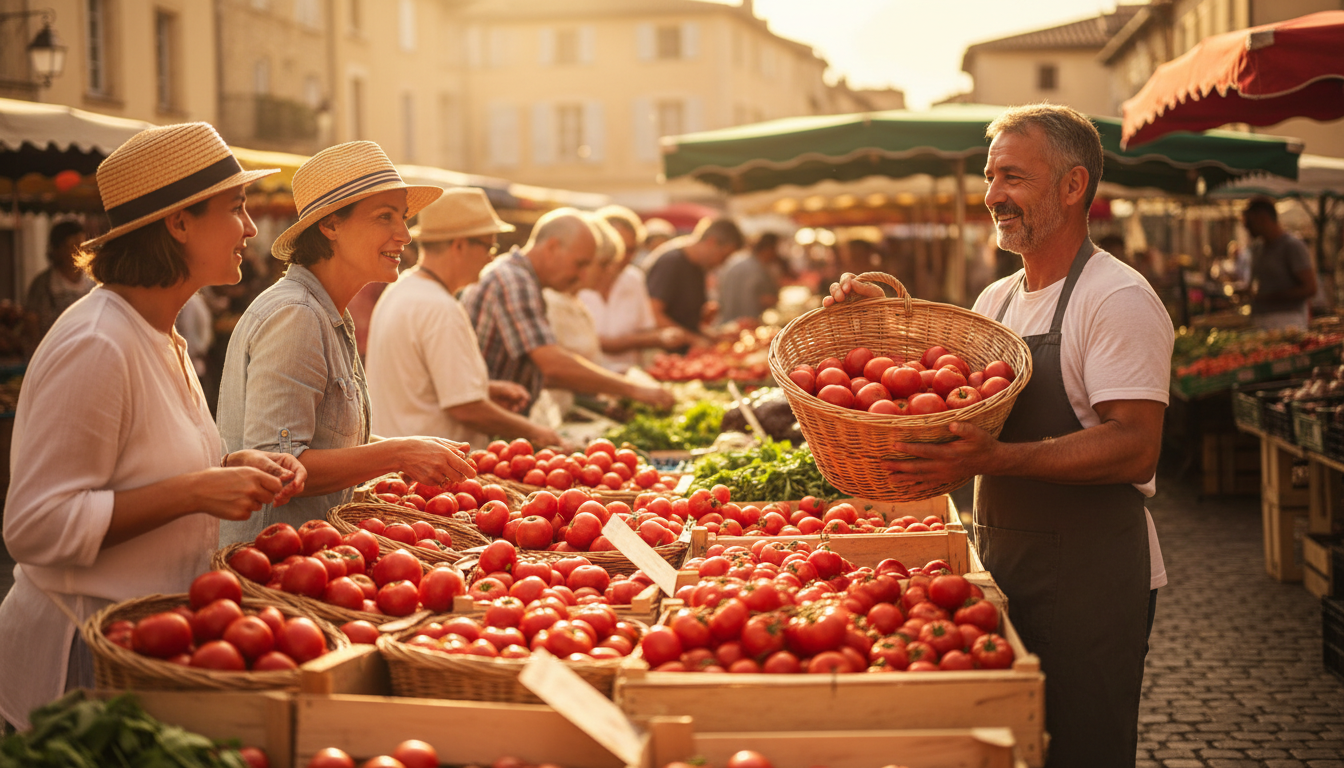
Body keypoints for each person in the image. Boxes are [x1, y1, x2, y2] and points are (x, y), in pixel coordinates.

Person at [829, 104, 1171, 768]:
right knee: (1013, 749)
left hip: (1091, 575)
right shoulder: (998, 301)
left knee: (1084, 749)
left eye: (1012, 177)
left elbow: (1135, 443)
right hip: (1006, 562)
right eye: (991, 178)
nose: (992, 196)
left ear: (1073, 187)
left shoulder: (1116, 299)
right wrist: (874, 331)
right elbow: (939, 386)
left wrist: (998, 457)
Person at [0, 123, 306, 730]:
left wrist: (226, 471)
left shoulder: (159, 329)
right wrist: (195, 492)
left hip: (141, 644)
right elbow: (33, 527)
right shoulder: (97, 343)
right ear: (179, 223)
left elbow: (140, 471)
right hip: (78, 661)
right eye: (237, 208)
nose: (250, 228)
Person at [217, 141, 475, 544]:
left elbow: (320, 437)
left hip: (315, 552)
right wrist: (398, 454)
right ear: (331, 225)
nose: (405, 234)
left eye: (403, 217)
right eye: (385, 217)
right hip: (273, 559)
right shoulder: (297, 315)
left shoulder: (328, 312)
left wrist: (411, 449)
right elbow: (280, 469)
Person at [364, 188, 559, 450]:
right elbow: (465, 408)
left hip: (403, 460)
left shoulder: (401, 290)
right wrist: (535, 431)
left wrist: (484, 387)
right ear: (459, 245)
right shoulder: (440, 307)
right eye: (489, 246)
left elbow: (418, 385)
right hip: (431, 469)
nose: (491, 257)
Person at [461, 208, 675, 413]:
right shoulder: (514, 281)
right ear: (552, 247)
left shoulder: (524, 280)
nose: (582, 276)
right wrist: (633, 389)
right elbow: (552, 365)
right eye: (579, 264)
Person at [578, 205, 687, 373]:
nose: (620, 256)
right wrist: (656, 338)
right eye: (616, 247)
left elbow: (646, 328)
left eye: (629, 250)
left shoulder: (634, 279)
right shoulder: (574, 280)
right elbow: (599, 344)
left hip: (629, 379)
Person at [645, 217, 745, 346]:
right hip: (663, 353)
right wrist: (693, 339)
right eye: (724, 255)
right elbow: (653, 313)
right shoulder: (671, 262)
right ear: (711, 242)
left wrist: (709, 335)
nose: (722, 263)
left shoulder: (698, 267)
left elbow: (686, 320)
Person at [1241, 196, 1316, 330]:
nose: (1247, 228)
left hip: (1288, 321)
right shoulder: (1257, 248)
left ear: (1263, 218)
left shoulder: (1292, 246)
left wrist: (1269, 297)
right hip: (1260, 320)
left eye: (1250, 223)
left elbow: (1310, 288)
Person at [24, 220, 95, 340]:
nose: (78, 252)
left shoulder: (92, 283)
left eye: (81, 246)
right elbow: (32, 323)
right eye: (72, 246)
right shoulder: (43, 284)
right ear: (58, 249)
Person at [718, 232, 782, 324]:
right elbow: (759, 299)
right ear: (768, 249)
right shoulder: (754, 269)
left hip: (729, 321)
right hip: (744, 323)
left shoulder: (741, 262)